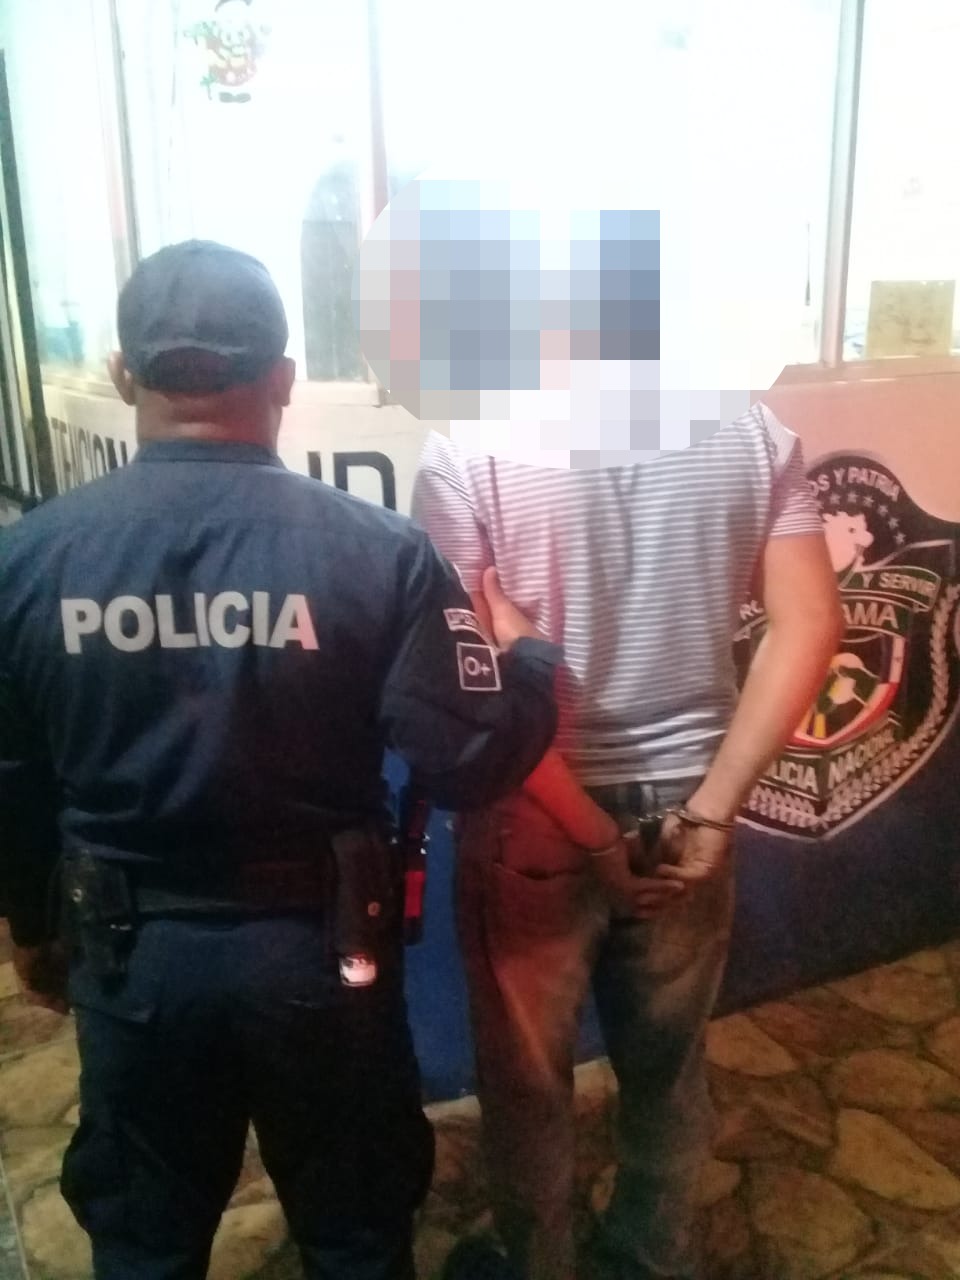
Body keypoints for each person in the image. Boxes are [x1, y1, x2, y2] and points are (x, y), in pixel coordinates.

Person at [0, 239, 563, 1280]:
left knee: (145, 1239)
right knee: (355, 1235)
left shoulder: (28, 559)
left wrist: (33, 928)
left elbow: (11, 779)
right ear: (286, 380)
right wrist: (530, 661)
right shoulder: (380, 552)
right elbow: (471, 758)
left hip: (128, 955)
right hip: (324, 958)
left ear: (123, 375)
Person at [413, 397, 843, 1277]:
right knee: (669, 1066)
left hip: (534, 806)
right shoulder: (751, 430)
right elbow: (812, 622)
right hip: (686, 806)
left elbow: (469, 671)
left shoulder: (466, 448)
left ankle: (539, 1266)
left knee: (526, 1081)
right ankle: (655, 1258)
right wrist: (713, 808)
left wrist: (590, 831)